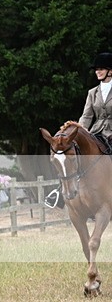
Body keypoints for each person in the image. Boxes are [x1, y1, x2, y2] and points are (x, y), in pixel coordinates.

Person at [46, 52, 112, 209]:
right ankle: (59, 192)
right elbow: (87, 116)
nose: (98, 72)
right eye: (96, 69)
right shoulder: (92, 92)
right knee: (73, 156)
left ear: (110, 71)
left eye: (101, 69)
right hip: (97, 131)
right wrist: (77, 133)